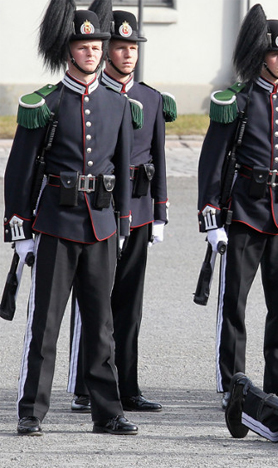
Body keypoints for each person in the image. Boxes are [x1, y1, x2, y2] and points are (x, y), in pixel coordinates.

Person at [4, 1, 138, 436]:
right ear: (68, 51)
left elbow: (122, 170)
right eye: (83, 46)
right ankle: (31, 410)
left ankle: (107, 411)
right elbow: (19, 170)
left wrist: (122, 223)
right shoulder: (45, 103)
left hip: (99, 225)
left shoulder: (119, 105)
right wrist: (18, 227)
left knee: (101, 325)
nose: (92, 52)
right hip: (56, 224)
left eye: (96, 45)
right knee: (45, 323)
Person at [197, 4, 278, 410]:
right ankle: (233, 383)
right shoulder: (237, 100)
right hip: (244, 214)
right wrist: (211, 217)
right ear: (261, 57)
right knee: (234, 303)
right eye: (275, 53)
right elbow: (211, 162)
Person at [67, 8, 176, 414]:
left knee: (129, 304)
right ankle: (84, 386)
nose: (128, 54)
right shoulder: (97, 96)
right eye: (120, 46)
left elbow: (160, 157)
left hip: (141, 209)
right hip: (101, 209)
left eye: (133, 47)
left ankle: (126, 386)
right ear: (105, 50)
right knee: (94, 302)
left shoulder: (151, 98)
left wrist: (160, 211)